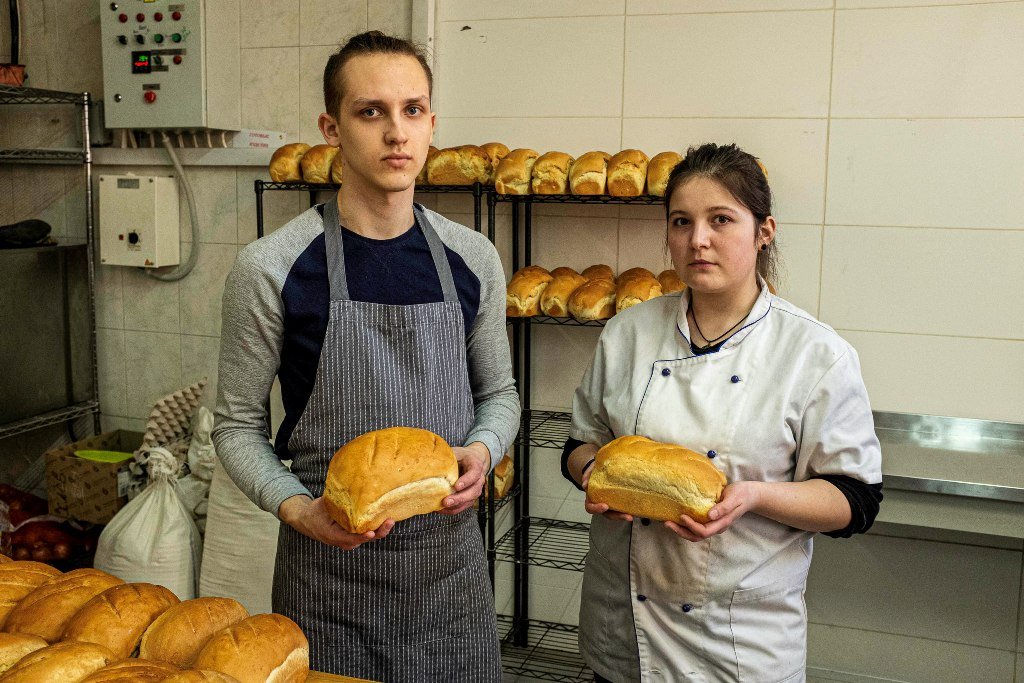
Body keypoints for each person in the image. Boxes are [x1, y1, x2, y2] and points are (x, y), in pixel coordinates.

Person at [212, 31, 519, 681]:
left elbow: (501, 395)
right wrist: (297, 508)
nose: (396, 133)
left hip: (451, 593)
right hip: (328, 592)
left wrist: (485, 448)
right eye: (370, 111)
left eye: (412, 111)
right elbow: (236, 427)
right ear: (332, 127)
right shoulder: (270, 268)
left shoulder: (475, 260)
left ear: (433, 125)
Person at [561, 143, 883, 683]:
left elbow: (856, 500)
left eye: (721, 220)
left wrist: (753, 496)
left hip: (738, 648)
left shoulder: (813, 353)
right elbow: (579, 445)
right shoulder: (627, 333)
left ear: (764, 231)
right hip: (623, 636)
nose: (698, 239)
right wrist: (597, 478)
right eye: (681, 221)